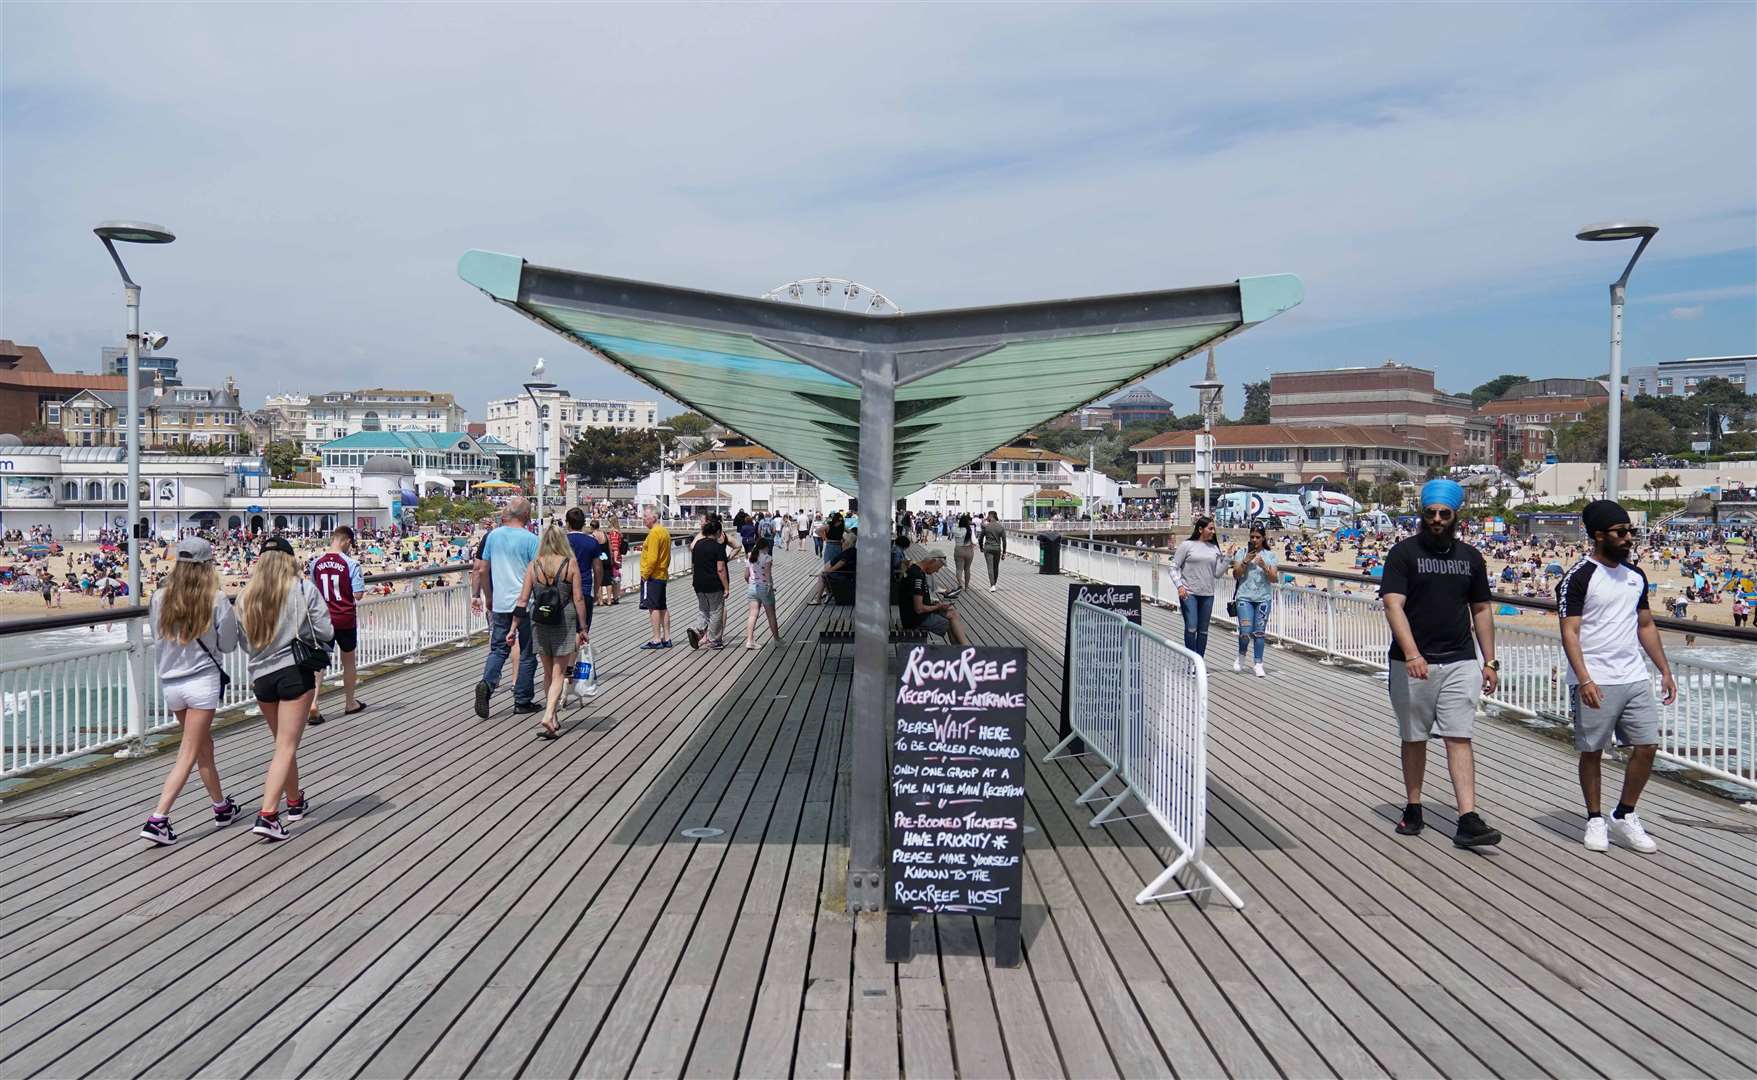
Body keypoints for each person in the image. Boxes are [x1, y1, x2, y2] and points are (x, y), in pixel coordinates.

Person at [1380, 479, 1502, 849]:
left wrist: (1490, 661)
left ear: (1455, 515)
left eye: (1443, 514)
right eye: (1430, 513)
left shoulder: (1470, 558)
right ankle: (1414, 806)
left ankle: (1467, 818)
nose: (1436, 519)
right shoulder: (1403, 554)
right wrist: (1413, 653)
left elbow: (1481, 609)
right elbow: (1392, 604)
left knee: (1459, 736)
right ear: (1422, 514)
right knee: (1414, 738)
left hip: (1461, 661)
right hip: (1410, 663)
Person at [1558, 501, 1677, 854]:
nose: (1628, 538)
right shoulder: (1578, 577)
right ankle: (1594, 818)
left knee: (1647, 746)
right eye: (1620, 532)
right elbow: (1569, 632)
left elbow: (1645, 624)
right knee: (1592, 749)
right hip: (1595, 677)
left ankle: (1624, 813)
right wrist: (1585, 679)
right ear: (1598, 536)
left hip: (1633, 675)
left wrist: (1665, 670)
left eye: (1631, 532)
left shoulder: (1635, 575)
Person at [139, 539, 241, 845]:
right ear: (207, 565)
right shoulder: (216, 598)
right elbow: (227, 644)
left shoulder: (160, 597)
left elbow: (157, 634)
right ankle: (158, 818)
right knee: (188, 752)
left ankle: (221, 807)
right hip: (202, 683)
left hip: (172, 684)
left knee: (202, 747)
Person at [239, 536, 333, 842]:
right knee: (286, 746)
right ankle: (268, 814)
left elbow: (242, 641)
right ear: (289, 560)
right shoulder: (303, 589)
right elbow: (325, 630)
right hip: (294, 671)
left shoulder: (245, 596)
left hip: (261, 677)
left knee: (283, 743)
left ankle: (294, 802)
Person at [512, 524, 589, 738]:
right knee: (559, 673)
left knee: (547, 673)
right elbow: (579, 598)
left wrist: (513, 627)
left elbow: (523, 599)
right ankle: (548, 715)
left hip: (540, 620)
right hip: (564, 619)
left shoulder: (533, 565)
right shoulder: (569, 564)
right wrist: (583, 627)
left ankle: (553, 718)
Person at [473, 498, 541, 719]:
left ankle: (487, 684)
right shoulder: (532, 540)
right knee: (528, 652)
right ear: (527, 517)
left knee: (499, 648)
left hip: (501, 601)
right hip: (526, 602)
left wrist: (488, 596)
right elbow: (537, 574)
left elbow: (482, 570)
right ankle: (522, 700)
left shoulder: (493, 536)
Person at [308, 526, 367, 725]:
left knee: (318, 664)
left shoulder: (315, 563)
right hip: (345, 617)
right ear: (348, 541)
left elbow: (314, 592)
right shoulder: (351, 564)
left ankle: (314, 703)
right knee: (348, 660)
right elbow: (358, 594)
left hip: (323, 618)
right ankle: (350, 702)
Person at [1171, 517, 1224, 660]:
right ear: (1200, 529)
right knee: (1191, 627)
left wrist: (1229, 557)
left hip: (1208, 594)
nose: (1213, 532)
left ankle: (1199, 661)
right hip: (1189, 593)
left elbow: (1218, 573)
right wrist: (1179, 586)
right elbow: (1173, 568)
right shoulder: (1187, 545)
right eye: (1210, 528)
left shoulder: (1214, 548)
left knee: (1203, 631)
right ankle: (1192, 661)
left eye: (1214, 529)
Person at [1231, 524, 1278, 677]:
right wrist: (1245, 561)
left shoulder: (1270, 556)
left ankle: (1258, 663)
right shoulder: (1242, 553)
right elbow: (1236, 574)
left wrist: (1264, 566)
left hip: (1263, 598)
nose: (1255, 540)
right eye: (1252, 537)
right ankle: (1241, 655)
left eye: (1258, 537)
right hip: (1244, 596)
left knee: (1259, 632)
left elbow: (1273, 578)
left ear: (1263, 538)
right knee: (1245, 632)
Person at [900, 548, 969, 644]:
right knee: (951, 622)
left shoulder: (916, 571)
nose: (937, 571)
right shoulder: (917, 576)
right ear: (932, 561)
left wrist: (933, 603)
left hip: (912, 614)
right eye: (938, 567)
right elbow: (918, 609)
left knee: (953, 612)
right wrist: (938, 606)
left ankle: (961, 650)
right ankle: (966, 649)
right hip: (915, 619)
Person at [687, 517, 730, 650]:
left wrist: (695, 580)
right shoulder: (718, 548)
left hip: (698, 583)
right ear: (717, 532)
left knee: (703, 609)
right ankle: (714, 640)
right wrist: (726, 587)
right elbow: (720, 569)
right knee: (716, 611)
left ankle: (698, 629)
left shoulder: (697, 545)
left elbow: (694, 565)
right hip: (713, 584)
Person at [637, 505, 672, 648]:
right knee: (662, 606)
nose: (643, 519)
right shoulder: (664, 532)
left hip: (653, 575)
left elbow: (652, 559)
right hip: (662, 574)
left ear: (653, 517)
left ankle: (657, 638)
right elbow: (667, 556)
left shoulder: (653, 534)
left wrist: (645, 575)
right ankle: (667, 637)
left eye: (645, 516)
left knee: (653, 607)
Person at [742, 532, 782, 649]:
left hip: (752, 588)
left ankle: (749, 640)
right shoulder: (767, 557)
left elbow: (746, 575)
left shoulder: (750, 556)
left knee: (752, 615)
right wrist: (770, 586)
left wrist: (751, 583)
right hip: (764, 588)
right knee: (771, 615)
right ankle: (777, 639)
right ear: (765, 547)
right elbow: (768, 574)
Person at [978, 511, 1006, 592]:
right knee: (996, 567)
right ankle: (994, 583)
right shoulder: (1000, 527)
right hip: (997, 548)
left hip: (988, 548)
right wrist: (1004, 552)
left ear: (989, 517)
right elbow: (1004, 541)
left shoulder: (986, 527)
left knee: (990, 567)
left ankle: (992, 585)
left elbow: (980, 538)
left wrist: (980, 547)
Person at [951, 513, 977, 596]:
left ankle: (960, 585)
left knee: (959, 569)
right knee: (967, 569)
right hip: (968, 550)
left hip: (958, 549)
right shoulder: (969, 530)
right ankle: (967, 587)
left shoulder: (955, 529)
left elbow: (952, 533)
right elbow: (974, 541)